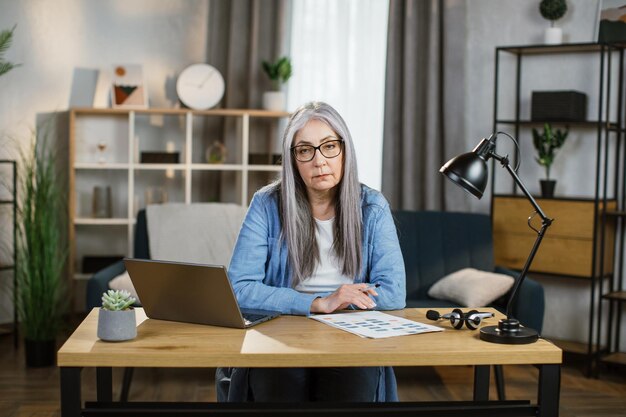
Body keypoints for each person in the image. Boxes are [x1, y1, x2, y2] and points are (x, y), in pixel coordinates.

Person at [218, 101, 406, 402]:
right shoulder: (266, 204)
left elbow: (394, 293)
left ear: (345, 150)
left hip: (352, 332)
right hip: (282, 330)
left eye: (329, 146)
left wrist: (340, 304)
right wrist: (318, 303)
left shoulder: (372, 207)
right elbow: (239, 288)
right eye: (305, 150)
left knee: (354, 385)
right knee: (277, 383)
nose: (319, 160)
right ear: (293, 160)